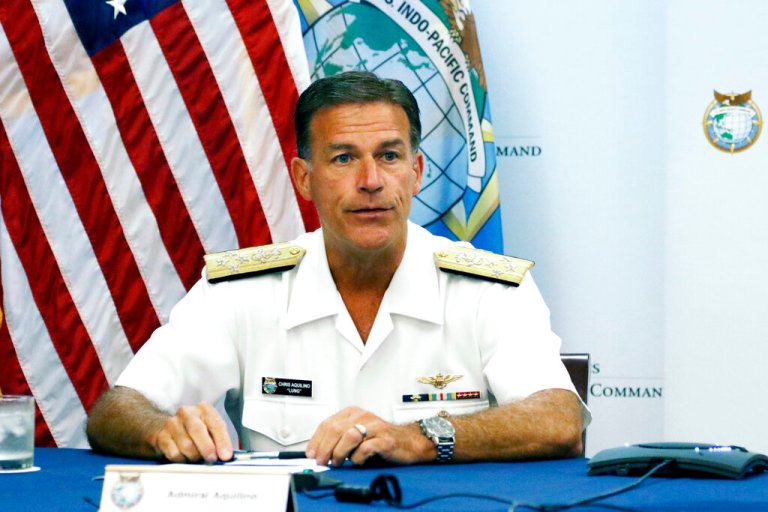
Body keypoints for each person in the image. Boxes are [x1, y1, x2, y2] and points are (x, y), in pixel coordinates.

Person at [86, 71, 589, 467]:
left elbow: (559, 419)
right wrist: (161, 431)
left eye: (389, 156)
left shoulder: (490, 288)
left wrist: (418, 438)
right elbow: (115, 411)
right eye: (344, 158)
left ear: (415, 173)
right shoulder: (243, 291)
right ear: (304, 178)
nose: (370, 181)